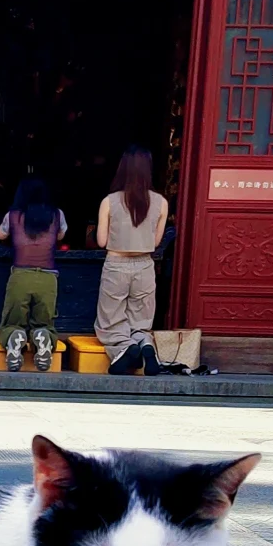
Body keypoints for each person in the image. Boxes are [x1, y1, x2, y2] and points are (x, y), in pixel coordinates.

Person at [94, 146, 168, 376]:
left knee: (110, 320)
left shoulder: (109, 201)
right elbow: (155, 242)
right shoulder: (161, 202)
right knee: (141, 319)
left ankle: (125, 348)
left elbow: (101, 240)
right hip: (145, 265)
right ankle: (146, 345)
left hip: (116, 264)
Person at [0, 178, 67, 372]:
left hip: (21, 276)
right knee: (44, 322)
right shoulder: (57, 215)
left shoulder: (13, 216)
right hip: (48, 279)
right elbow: (61, 235)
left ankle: (15, 338)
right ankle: (42, 336)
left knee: (12, 321)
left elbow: (0, 235)